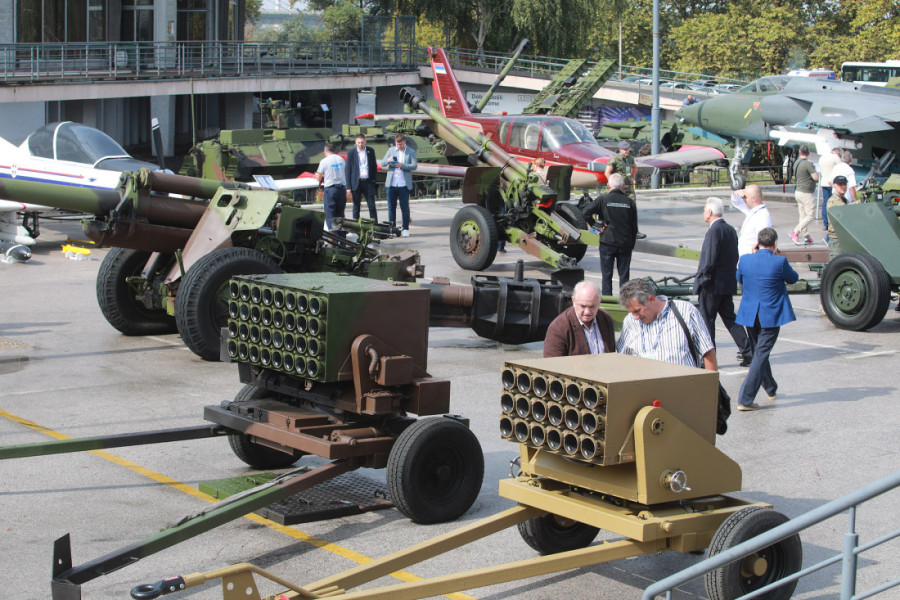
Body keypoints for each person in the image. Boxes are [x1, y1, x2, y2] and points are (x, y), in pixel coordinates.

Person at [735, 227, 798, 410]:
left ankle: (770, 387)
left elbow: (739, 277)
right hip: (769, 315)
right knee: (761, 354)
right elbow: (793, 278)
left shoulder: (745, 260)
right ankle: (745, 398)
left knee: (758, 353)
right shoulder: (779, 261)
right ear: (775, 243)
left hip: (750, 314)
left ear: (758, 242)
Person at [694, 197, 753, 366]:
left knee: (707, 322)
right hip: (726, 283)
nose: (703, 213)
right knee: (730, 318)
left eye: (705, 210)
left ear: (710, 212)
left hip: (712, 285)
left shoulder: (714, 231)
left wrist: (702, 280)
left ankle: (709, 359)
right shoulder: (730, 229)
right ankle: (747, 351)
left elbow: (709, 259)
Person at [616, 278, 717, 371]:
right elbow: (622, 358)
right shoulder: (630, 321)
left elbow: (708, 352)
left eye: (637, 311)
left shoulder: (686, 311)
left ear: (651, 299)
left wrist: (710, 388)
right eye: (632, 312)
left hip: (683, 386)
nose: (635, 317)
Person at [581, 172, 638, 296]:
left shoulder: (603, 200)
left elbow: (585, 212)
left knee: (607, 275)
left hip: (607, 242)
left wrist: (596, 228)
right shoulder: (629, 202)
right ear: (623, 185)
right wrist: (631, 245)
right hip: (625, 243)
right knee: (624, 276)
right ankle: (624, 301)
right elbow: (634, 227)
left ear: (608, 185)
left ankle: (607, 300)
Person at [543, 280, 615, 357]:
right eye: (583, 306)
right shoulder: (558, 328)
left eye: (592, 306)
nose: (587, 312)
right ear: (573, 300)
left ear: (600, 301)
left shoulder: (606, 319)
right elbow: (553, 364)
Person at [381, 134, 417, 236]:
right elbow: (382, 163)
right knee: (391, 208)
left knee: (404, 208)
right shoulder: (391, 150)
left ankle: (405, 229)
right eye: (397, 144)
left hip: (403, 184)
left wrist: (403, 165)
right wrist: (388, 160)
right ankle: (392, 229)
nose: (399, 146)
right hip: (391, 184)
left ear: (404, 142)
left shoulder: (411, 152)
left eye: (400, 144)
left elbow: (414, 166)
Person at [789, 145, 819, 246]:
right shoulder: (808, 164)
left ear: (799, 152)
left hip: (798, 191)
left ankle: (806, 237)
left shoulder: (796, 163)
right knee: (810, 216)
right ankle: (795, 232)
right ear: (808, 153)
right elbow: (815, 177)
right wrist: (817, 172)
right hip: (806, 193)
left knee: (803, 216)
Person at [731, 184, 772, 256]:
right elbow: (737, 203)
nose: (743, 199)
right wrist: (736, 193)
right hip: (745, 259)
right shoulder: (752, 210)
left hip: (751, 259)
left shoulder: (762, 216)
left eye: (745, 197)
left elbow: (764, 243)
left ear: (754, 198)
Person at [314, 142, 346, 233]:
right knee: (340, 215)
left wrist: (316, 175)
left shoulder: (324, 161)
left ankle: (332, 239)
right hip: (341, 189)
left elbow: (319, 177)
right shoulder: (341, 159)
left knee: (330, 214)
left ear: (325, 151)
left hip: (331, 189)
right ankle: (341, 238)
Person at [344, 133, 378, 221]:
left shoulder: (371, 151)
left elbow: (374, 166)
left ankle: (375, 227)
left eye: (362, 142)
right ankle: (356, 229)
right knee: (356, 207)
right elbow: (348, 170)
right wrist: (348, 187)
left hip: (368, 182)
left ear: (365, 142)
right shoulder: (351, 153)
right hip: (356, 182)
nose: (360, 144)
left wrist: (373, 180)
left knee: (372, 206)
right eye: (358, 142)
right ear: (355, 142)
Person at [825, 175, 860, 258]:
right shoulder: (833, 201)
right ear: (834, 186)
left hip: (844, 236)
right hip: (837, 239)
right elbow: (845, 210)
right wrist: (860, 202)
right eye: (840, 185)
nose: (843, 187)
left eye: (845, 184)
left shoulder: (844, 199)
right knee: (837, 264)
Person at [818, 146, 841, 230]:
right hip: (833, 184)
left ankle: (825, 223)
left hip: (824, 183)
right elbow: (840, 167)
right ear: (837, 153)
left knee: (825, 203)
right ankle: (834, 223)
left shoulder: (822, 157)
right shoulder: (835, 157)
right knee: (834, 203)